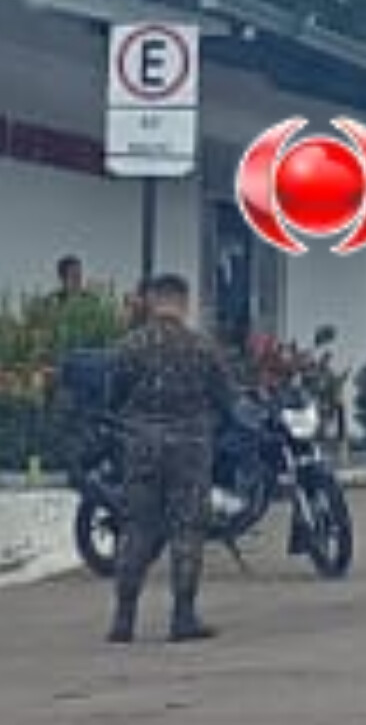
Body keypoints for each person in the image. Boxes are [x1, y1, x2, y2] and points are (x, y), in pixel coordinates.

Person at [105, 273, 235, 643]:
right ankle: (183, 616)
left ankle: (123, 617)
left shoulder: (129, 346)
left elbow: (113, 396)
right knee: (187, 529)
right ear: (184, 302)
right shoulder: (203, 348)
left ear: (151, 301)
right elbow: (227, 399)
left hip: (141, 445)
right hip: (190, 447)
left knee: (136, 527)